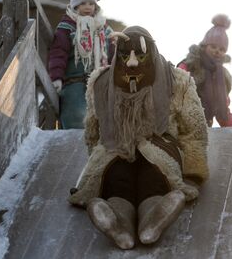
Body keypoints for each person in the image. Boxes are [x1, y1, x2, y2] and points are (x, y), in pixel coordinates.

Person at [68, 26, 209, 249]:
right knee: (116, 176)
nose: (132, 63)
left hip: (159, 145)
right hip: (115, 146)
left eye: (141, 56)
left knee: (153, 175)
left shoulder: (176, 80)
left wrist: (194, 169)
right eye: (125, 56)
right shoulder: (102, 82)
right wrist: (96, 161)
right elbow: (93, 128)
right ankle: (117, 220)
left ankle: (153, 216)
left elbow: (194, 129)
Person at [48, 0, 114, 129]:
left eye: (91, 3)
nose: (88, 7)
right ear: (75, 5)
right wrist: (56, 77)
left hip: (98, 81)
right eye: (83, 3)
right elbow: (58, 53)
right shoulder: (67, 27)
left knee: (100, 118)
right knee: (75, 116)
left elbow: (112, 52)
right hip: (74, 83)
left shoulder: (103, 28)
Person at [177, 14, 232, 127]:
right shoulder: (189, 65)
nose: (217, 51)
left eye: (222, 49)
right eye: (213, 46)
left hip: (204, 127)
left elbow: (222, 106)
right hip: (182, 124)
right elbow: (176, 91)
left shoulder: (222, 76)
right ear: (205, 46)